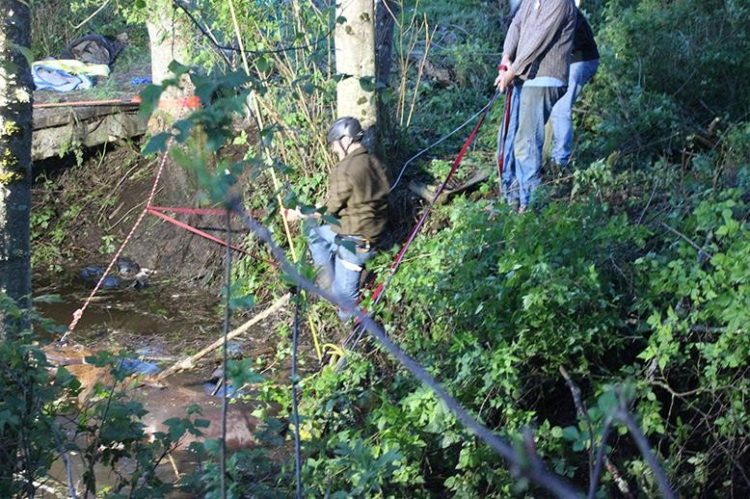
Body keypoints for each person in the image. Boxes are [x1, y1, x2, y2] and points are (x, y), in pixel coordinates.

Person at [285, 117, 390, 318]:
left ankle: (351, 341)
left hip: (355, 243)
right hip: (372, 231)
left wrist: (298, 213)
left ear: (346, 139)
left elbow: (328, 211)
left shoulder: (344, 170)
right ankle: (327, 282)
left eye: (334, 145)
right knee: (313, 231)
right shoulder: (374, 161)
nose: (333, 150)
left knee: (345, 304)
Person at [495, 0, 577, 212]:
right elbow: (516, 25)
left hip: (545, 78)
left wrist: (512, 71)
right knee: (509, 137)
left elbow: (537, 39)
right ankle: (511, 197)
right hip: (523, 76)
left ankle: (530, 208)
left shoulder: (559, 3)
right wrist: (505, 60)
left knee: (526, 143)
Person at [548, 8, 600, 168]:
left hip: (580, 61)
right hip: (565, 63)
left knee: (560, 109)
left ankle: (560, 162)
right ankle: (553, 156)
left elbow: (571, 42)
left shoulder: (563, 8)